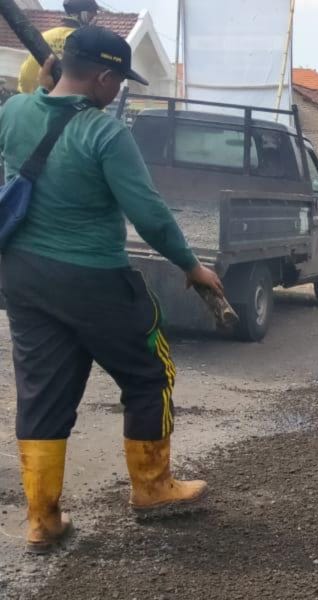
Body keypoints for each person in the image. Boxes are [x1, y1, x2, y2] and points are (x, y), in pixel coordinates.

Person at [0, 26, 225, 553]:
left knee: (42, 392)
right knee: (151, 371)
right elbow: (149, 214)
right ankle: (152, 488)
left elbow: (39, 119)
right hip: (93, 277)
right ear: (102, 77)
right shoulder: (104, 133)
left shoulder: (11, 113)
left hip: (23, 276)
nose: (120, 89)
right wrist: (192, 268)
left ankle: (43, 519)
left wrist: (46, 95)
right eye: (119, 79)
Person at [17, 0, 99, 94]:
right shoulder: (87, 43)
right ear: (84, 15)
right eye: (92, 16)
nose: (94, 21)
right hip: (64, 104)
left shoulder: (45, 36)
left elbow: (25, 75)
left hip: (30, 99)